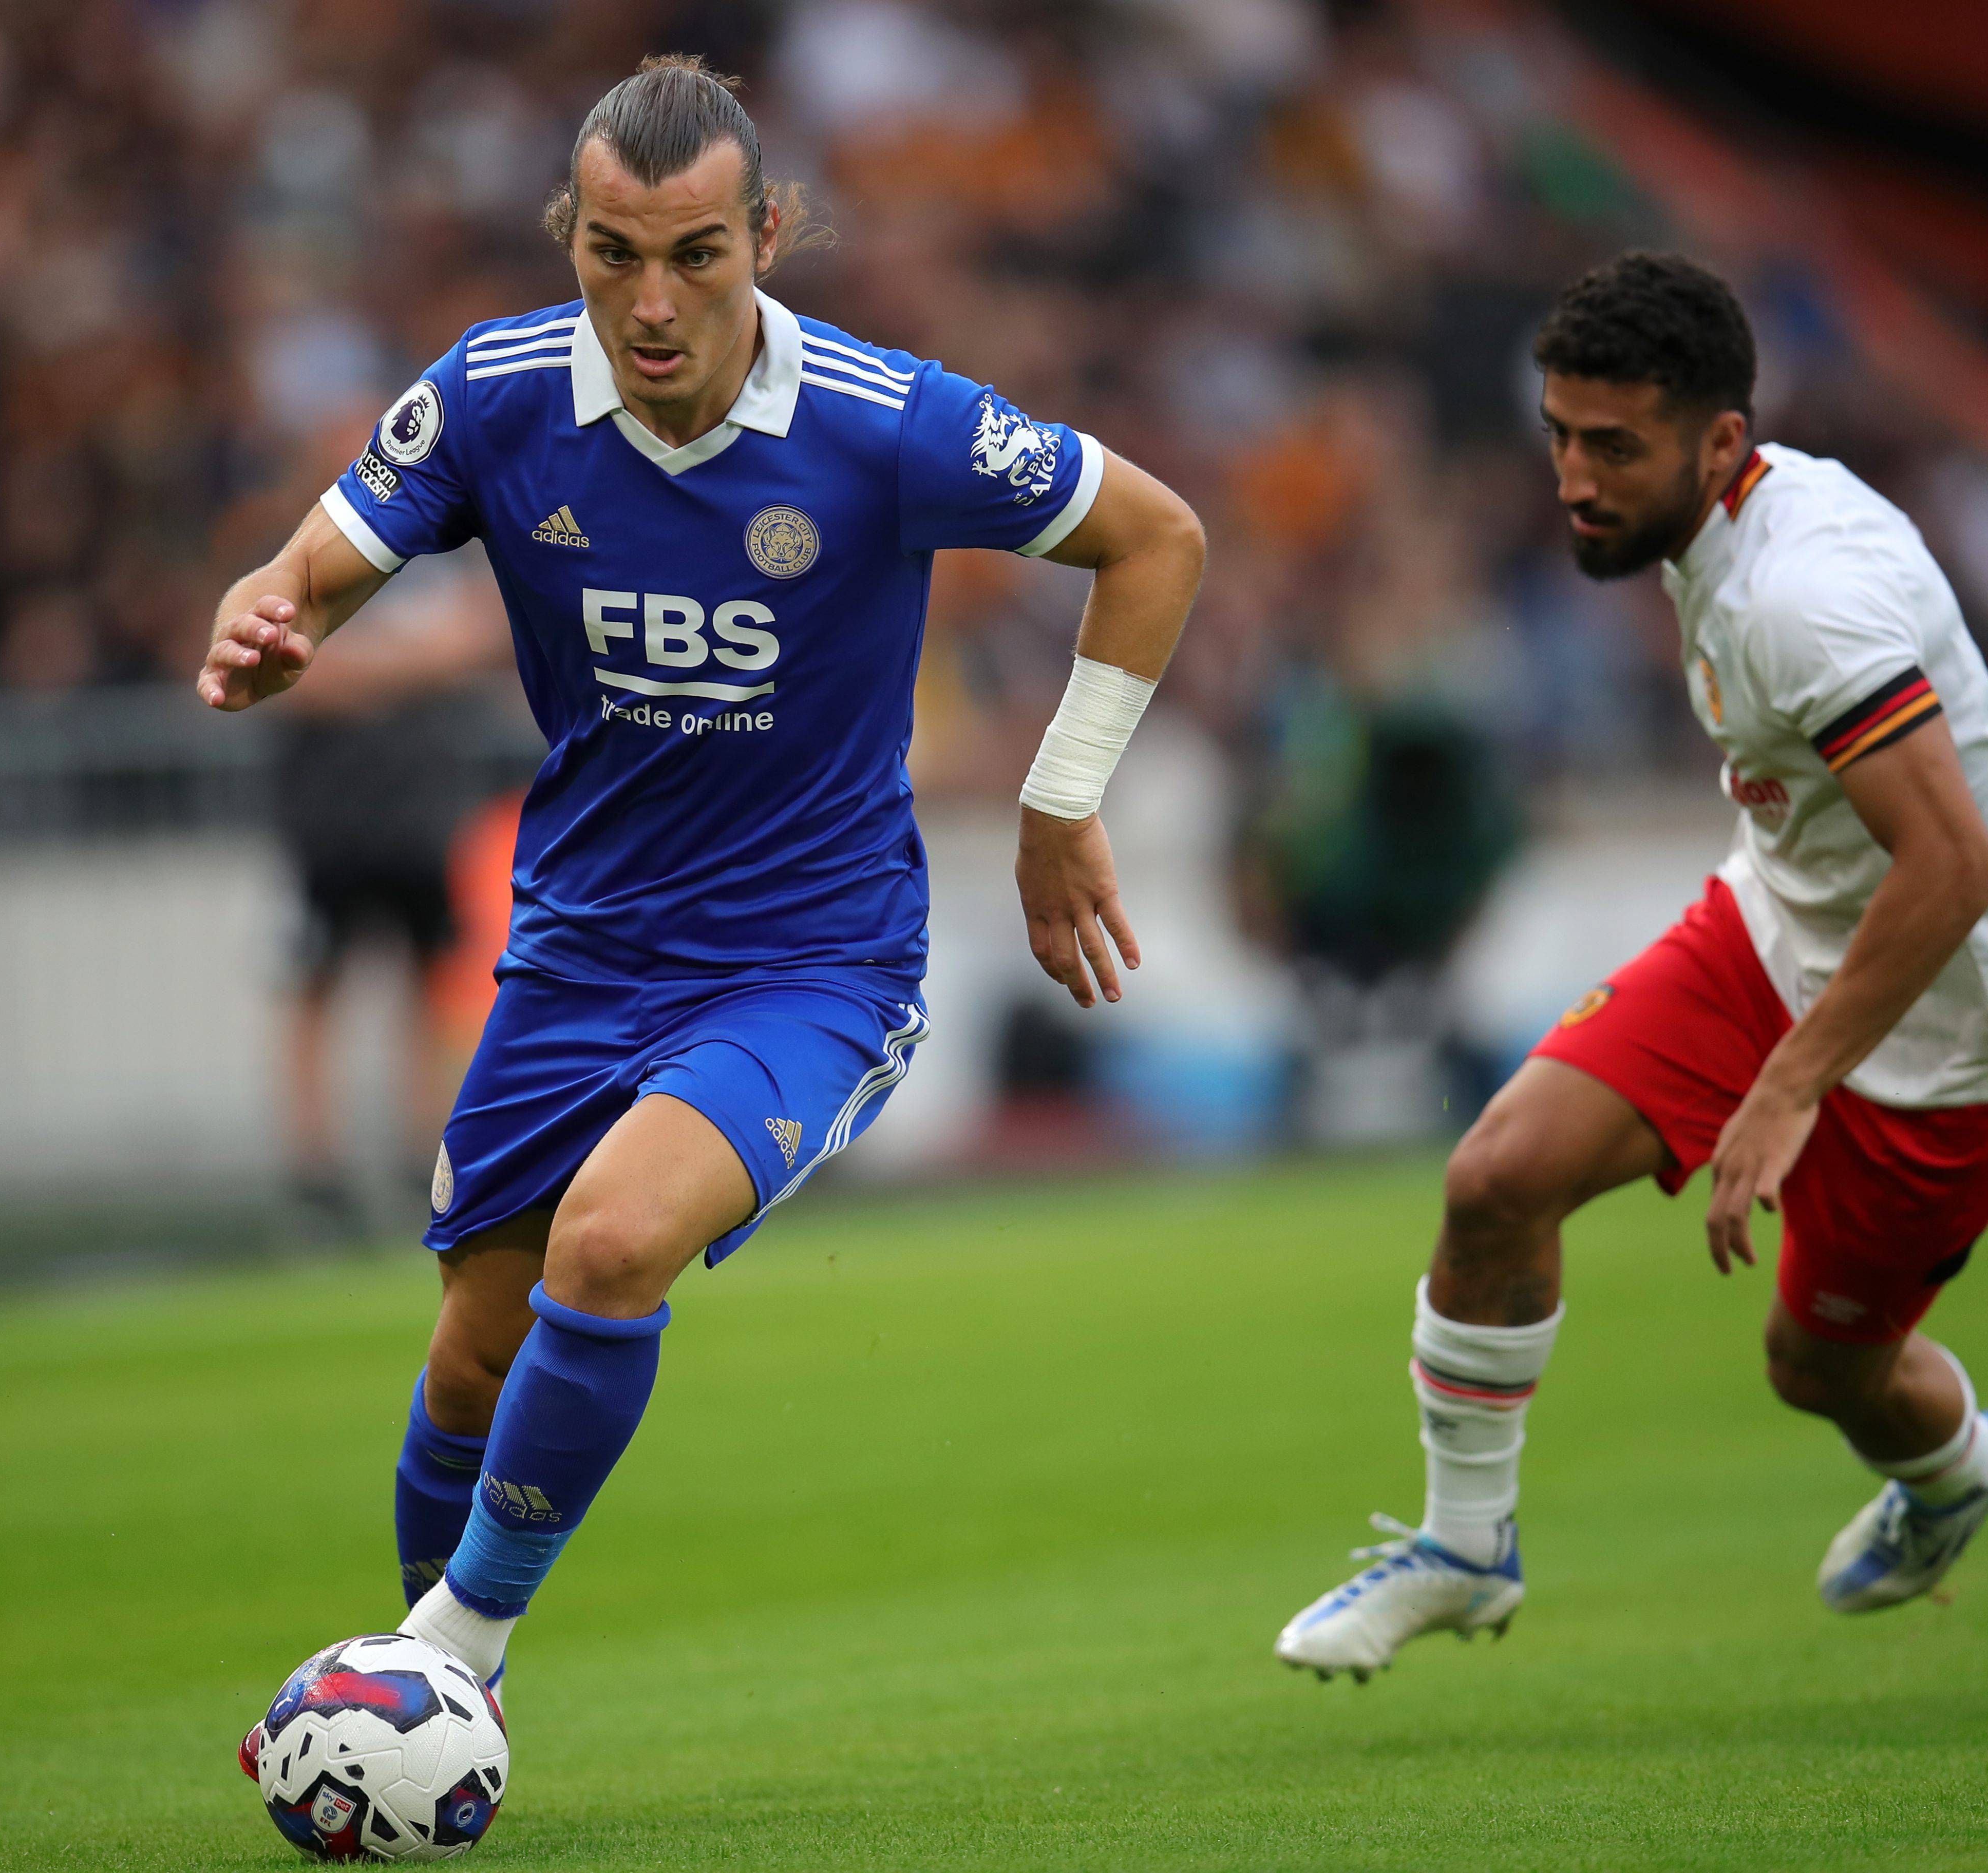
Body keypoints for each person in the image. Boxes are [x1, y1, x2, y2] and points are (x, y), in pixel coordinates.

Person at [199, 56, 1205, 1726]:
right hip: (579, 954)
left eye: (692, 256)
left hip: (808, 966)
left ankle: (451, 1660)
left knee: (611, 1243)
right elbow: (319, 553)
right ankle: (425, 1712)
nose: (649, 302)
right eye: (610, 254)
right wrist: (271, 608)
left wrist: (1059, 796)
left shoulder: (890, 424)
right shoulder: (496, 394)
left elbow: (1156, 535)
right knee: (469, 1349)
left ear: (766, 235)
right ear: (568, 237)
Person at [1275, 253, 1988, 1679]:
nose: (1575, 479)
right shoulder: (1723, 526)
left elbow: (1952, 869)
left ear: (1721, 442)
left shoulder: (1800, 602)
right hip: (1771, 936)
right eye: (1560, 437)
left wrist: (1784, 1090)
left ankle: (1959, 1467)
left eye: (1613, 448)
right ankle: (1465, 1552)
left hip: (1950, 1041)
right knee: (1495, 1179)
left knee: (1815, 1370)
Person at [268, 549, 529, 1228]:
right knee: (314, 988)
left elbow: (476, 641)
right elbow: (285, 672)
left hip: (419, 820)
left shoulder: (440, 554)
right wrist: (415, 664)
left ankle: (425, 1156)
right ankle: (314, 1168)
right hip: (328, 820)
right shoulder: (298, 559)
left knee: (427, 988)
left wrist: (359, 665)